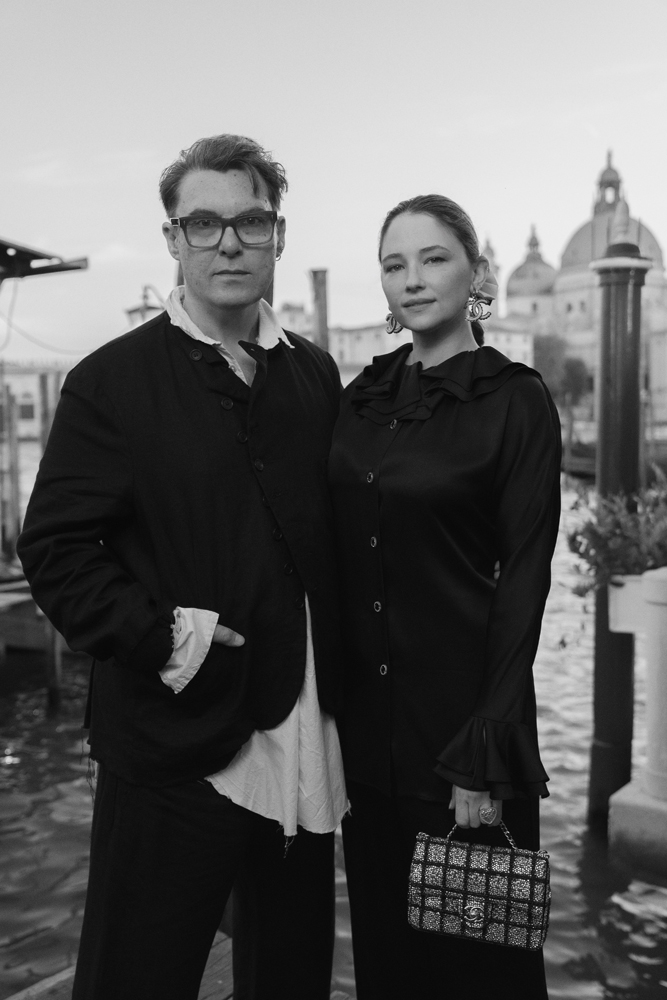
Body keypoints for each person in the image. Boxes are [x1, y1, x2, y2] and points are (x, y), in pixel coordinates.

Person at [17, 134, 347, 1000]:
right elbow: (53, 549)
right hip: (172, 748)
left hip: (301, 741)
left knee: (288, 978)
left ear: (279, 234)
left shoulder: (314, 376)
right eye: (203, 223)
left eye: (249, 221)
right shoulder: (111, 382)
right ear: (173, 239)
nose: (228, 242)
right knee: (137, 976)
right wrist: (164, 636)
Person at [328, 194, 561, 999]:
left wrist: (482, 753)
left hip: (463, 746)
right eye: (394, 265)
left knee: (478, 971)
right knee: (388, 971)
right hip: (367, 746)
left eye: (432, 259)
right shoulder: (360, 400)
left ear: (475, 273)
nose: (412, 280)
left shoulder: (514, 399)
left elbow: (524, 582)